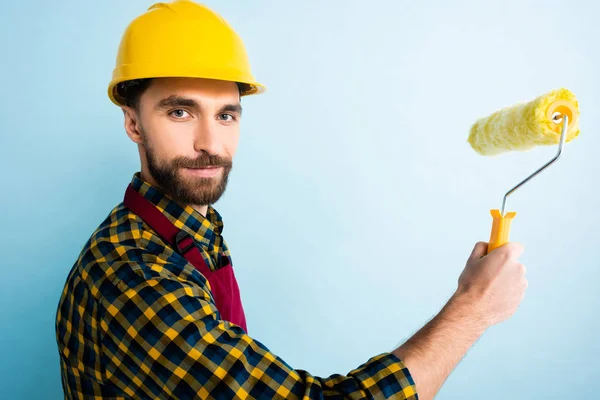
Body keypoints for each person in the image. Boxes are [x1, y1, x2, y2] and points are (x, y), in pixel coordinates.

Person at [55, 1, 528, 399]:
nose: (209, 142)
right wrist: (473, 307)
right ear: (133, 123)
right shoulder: (136, 278)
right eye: (180, 112)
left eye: (225, 115)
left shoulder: (188, 230)